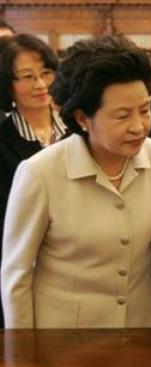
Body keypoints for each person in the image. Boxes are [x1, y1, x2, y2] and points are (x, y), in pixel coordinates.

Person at [1, 35, 151, 328]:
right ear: (83, 118)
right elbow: (17, 272)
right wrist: (22, 354)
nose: (138, 126)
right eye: (122, 116)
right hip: (65, 340)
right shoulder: (40, 172)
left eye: (145, 110)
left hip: (143, 330)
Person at [0, 34, 66, 328]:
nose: (40, 85)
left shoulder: (80, 132)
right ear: (8, 85)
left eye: (46, 73)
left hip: (75, 266)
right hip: (22, 265)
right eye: (27, 77)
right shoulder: (2, 139)